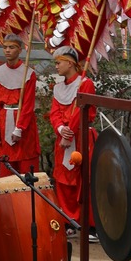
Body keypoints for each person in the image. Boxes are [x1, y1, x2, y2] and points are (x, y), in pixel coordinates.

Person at [49, 46, 94, 228]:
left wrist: (70, 132)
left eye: (58, 62)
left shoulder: (85, 84)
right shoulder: (58, 88)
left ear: (69, 63)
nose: (56, 66)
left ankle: (85, 222)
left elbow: (83, 112)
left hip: (81, 137)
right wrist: (61, 129)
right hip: (63, 137)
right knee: (62, 178)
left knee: (82, 178)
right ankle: (67, 219)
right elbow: (54, 113)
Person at [0, 32, 40, 177]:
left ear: (20, 50)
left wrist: (19, 128)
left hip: (23, 123)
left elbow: (28, 104)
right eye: (5, 47)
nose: (7, 50)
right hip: (4, 121)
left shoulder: (28, 73)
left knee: (26, 165)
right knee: (7, 166)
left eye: (11, 47)